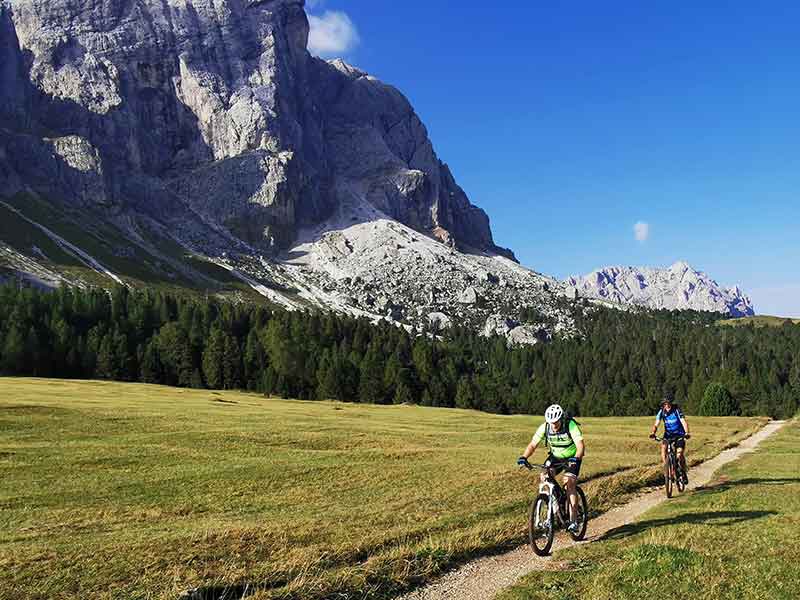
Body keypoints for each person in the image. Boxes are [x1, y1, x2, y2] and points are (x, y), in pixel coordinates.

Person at [517, 404, 585, 533]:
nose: (553, 425)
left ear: (560, 419)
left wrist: (576, 458)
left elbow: (580, 446)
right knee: (545, 477)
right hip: (556, 457)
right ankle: (552, 510)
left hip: (572, 457)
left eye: (555, 422)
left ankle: (574, 520)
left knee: (569, 482)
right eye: (551, 422)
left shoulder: (570, 425)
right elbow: (532, 445)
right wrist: (524, 457)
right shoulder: (545, 427)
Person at [650, 394, 691, 484]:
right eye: (665, 404)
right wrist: (653, 433)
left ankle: (683, 472)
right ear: (663, 405)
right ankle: (667, 467)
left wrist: (687, 433)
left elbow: (684, 422)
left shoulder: (676, 410)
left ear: (671, 404)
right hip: (668, 435)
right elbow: (656, 424)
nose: (667, 405)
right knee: (663, 449)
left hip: (679, 434)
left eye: (668, 404)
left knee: (679, 455)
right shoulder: (662, 412)